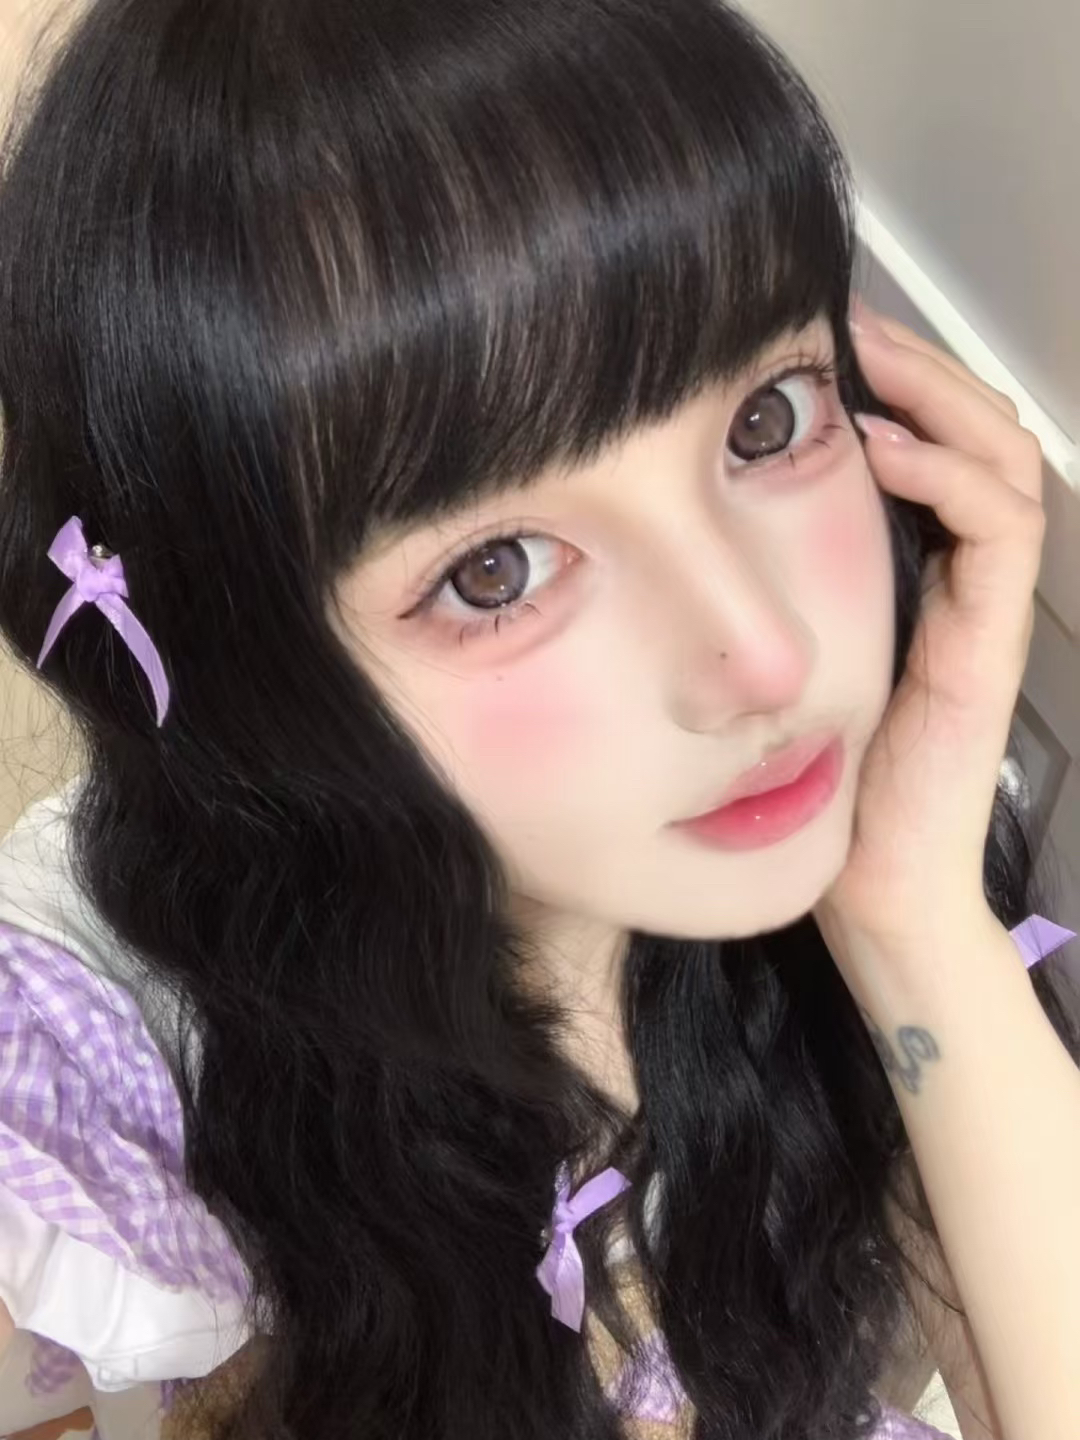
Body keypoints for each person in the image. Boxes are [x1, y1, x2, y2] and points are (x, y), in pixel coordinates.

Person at [0, 1, 1078, 1438]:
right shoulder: (108, 1041)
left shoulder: (874, 828)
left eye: (766, 419)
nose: (767, 658)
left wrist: (915, 915)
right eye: (494, 572)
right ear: (254, 659)